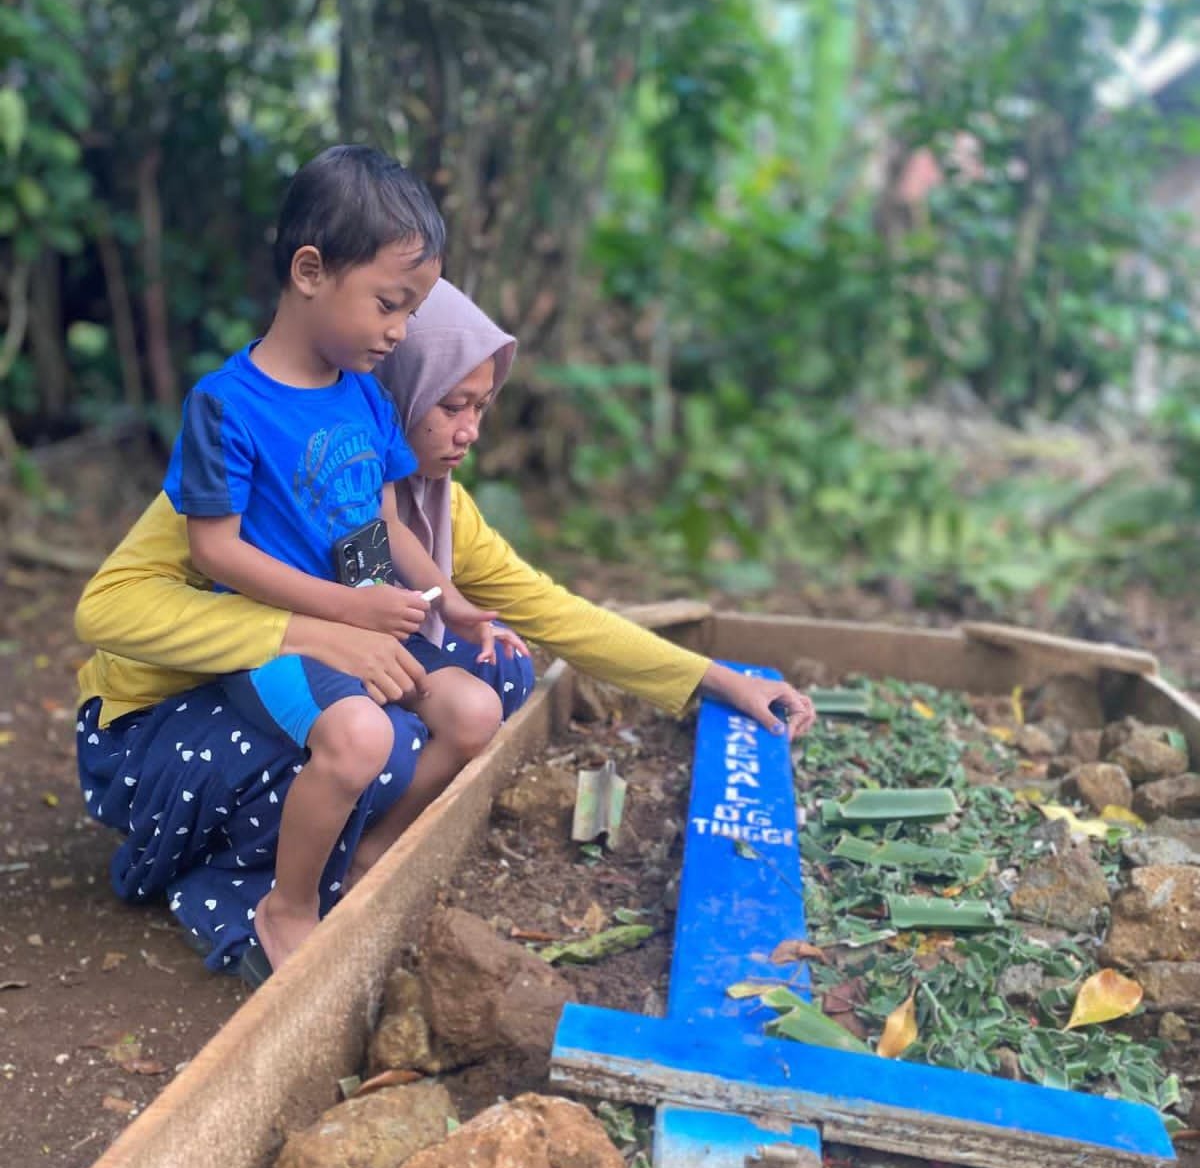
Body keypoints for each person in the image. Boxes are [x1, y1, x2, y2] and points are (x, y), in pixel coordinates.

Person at [75, 276, 816, 985]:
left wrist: (715, 681)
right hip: (162, 720)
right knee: (378, 740)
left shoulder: (430, 504)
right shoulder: (254, 468)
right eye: (451, 405)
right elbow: (105, 611)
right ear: (397, 389)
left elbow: (552, 611)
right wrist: (305, 631)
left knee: (497, 668)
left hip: (314, 676)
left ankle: (357, 859)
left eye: (481, 407)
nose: (469, 432)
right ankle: (242, 890)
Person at [159, 145, 524, 972]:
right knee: (360, 738)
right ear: (310, 271)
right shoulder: (226, 405)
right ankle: (285, 907)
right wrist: (348, 610)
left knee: (474, 712)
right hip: (276, 639)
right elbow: (214, 549)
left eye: (412, 311)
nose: (400, 331)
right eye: (390, 304)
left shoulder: (363, 392)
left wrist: (448, 598)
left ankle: (370, 857)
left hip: (367, 625)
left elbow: (387, 520)